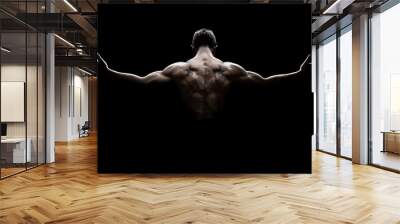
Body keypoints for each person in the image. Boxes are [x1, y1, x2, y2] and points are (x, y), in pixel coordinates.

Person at [98, 28, 310, 120]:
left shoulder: (179, 68)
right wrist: (298, 73)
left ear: (192, 46)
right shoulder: (229, 68)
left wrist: (108, 72)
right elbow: (265, 82)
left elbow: (142, 81)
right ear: (215, 46)